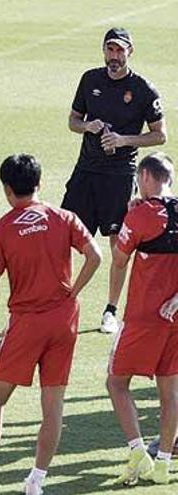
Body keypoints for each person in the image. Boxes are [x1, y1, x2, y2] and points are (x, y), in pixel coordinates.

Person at [0, 154, 101, 495]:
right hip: (65, 320)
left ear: (7, 190)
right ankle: (35, 483)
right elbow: (95, 256)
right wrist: (74, 291)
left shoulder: (2, 229)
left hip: (26, 323)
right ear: (40, 184)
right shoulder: (63, 217)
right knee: (53, 405)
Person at [61, 27, 167, 334]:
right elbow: (72, 121)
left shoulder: (143, 89)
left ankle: (110, 310)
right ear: (104, 51)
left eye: (120, 50)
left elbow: (160, 134)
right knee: (65, 237)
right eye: (110, 49)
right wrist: (87, 126)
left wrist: (122, 140)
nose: (114, 56)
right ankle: (61, 299)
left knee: (118, 245)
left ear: (130, 52)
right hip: (85, 172)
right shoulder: (90, 79)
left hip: (119, 176)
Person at [106, 152, 178, 485]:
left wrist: (128, 218)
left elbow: (119, 259)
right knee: (170, 391)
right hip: (174, 318)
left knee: (117, 383)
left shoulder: (143, 214)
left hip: (143, 317)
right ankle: (163, 463)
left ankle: (138, 452)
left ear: (145, 177)